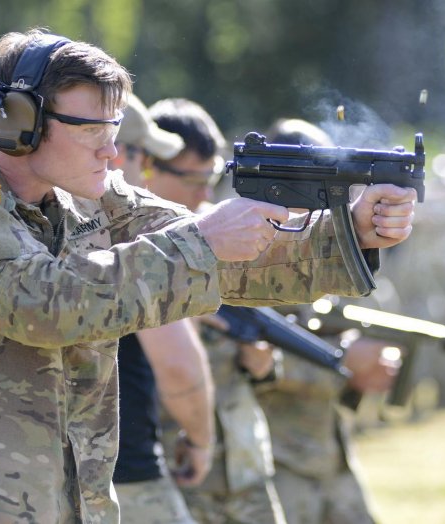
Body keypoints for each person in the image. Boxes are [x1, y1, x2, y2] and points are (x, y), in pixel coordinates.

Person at [0, 29, 416, 523]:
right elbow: (36, 303)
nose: (113, 151)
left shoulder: (92, 197)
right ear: (20, 119)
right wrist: (201, 243)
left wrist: (347, 230)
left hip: (74, 505)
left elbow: (225, 254)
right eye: (92, 131)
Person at [147, 98, 287, 524]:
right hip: (173, 472)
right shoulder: (122, 258)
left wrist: (261, 365)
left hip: (243, 468)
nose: (205, 195)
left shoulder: (226, 239)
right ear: (149, 168)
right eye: (193, 178)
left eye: (211, 178)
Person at [255, 118, 401, 524]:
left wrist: (366, 367)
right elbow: (243, 357)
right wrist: (342, 361)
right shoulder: (245, 255)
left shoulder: (329, 252)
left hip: (331, 457)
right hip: (273, 466)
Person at [111, 93, 214, 524]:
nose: (145, 172)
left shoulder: (35, 217)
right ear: (120, 154)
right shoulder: (125, 231)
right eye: (145, 158)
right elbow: (178, 366)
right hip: (125, 474)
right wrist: (201, 440)